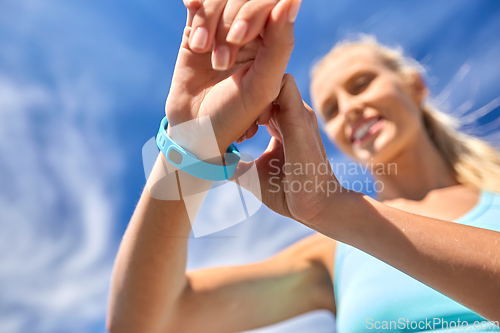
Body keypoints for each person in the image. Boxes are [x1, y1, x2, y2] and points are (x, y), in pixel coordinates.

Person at [106, 0, 500, 332]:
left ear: (414, 86)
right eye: (331, 108)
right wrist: (190, 145)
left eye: (361, 84)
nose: (349, 109)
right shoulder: (334, 251)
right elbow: (146, 323)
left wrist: (336, 209)